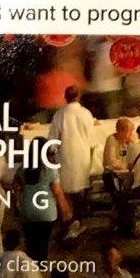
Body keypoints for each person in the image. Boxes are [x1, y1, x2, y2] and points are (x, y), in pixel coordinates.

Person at [50, 83, 100, 222]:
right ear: (78, 97)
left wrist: (52, 154)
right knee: (81, 187)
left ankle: (70, 219)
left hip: (65, 156)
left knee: (67, 190)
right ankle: (80, 218)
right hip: (83, 156)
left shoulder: (59, 114)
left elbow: (52, 140)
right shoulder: (85, 113)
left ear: (65, 97)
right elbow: (92, 139)